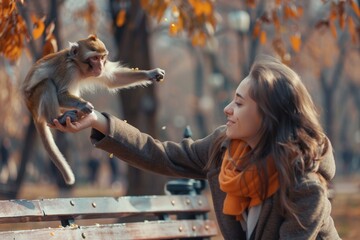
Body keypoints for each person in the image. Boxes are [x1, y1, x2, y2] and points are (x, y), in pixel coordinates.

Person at [49, 55, 340, 239]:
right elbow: (162, 156)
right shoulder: (225, 150)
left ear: (269, 115)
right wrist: (98, 121)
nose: (227, 109)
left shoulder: (304, 184)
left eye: (239, 103)